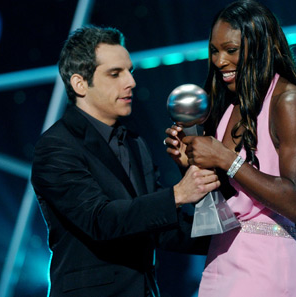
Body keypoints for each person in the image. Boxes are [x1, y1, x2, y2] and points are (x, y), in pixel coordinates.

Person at [31, 25, 220, 297]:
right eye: (115, 73)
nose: (130, 81)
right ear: (79, 83)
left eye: (129, 71)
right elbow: (100, 220)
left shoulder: (134, 142)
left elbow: (163, 230)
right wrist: (177, 194)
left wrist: (196, 176)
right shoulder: (56, 146)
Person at [164, 0, 296, 296]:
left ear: (259, 47)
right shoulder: (230, 108)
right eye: (214, 51)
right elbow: (226, 204)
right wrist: (189, 164)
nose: (218, 61)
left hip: (268, 266)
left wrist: (226, 159)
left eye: (230, 50)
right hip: (223, 258)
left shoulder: (288, 102)